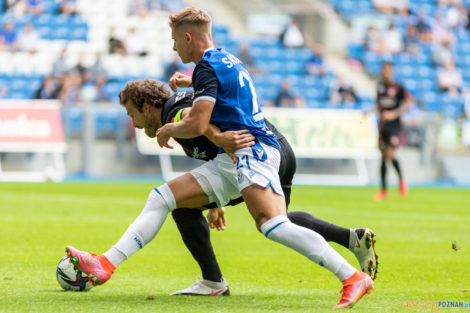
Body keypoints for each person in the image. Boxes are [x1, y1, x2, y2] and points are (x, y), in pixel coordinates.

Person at [66, 7, 374, 309]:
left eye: (175, 40)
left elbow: (195, 121)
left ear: (188, 37)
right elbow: (221, 94)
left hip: (250, 150)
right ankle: (104, 264)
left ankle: (351, 276)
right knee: (162, 198)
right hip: (239, 155)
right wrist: (195, 90)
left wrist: (168, 130)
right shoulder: (224, 59)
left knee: (273, 224)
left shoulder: (204, 69)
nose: (173, 47)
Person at [117, 79, 379, 295]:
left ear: (149, 107)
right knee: (282, 220)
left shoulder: (173, 113)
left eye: (133, 114)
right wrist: (216, 200)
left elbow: (203, 126)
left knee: (184, 206)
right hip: (277, 146)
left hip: (252, 153)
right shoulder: (186, 99)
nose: (135, 124)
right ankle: (349, 238)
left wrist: (216, 190)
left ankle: (213, 283)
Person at [374, 62, 412, 200]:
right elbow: (379, 105)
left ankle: (401, 182)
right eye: (384, 70)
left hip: (394, 126)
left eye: (388, 70)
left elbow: (408, 103)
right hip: (382, 126)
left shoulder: (398, 88)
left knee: (390, 153)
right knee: (383, 156)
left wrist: (394, 114)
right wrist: (371, 110)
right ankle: (383, 190)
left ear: (392, 71)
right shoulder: (379, 87)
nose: (386, 73)